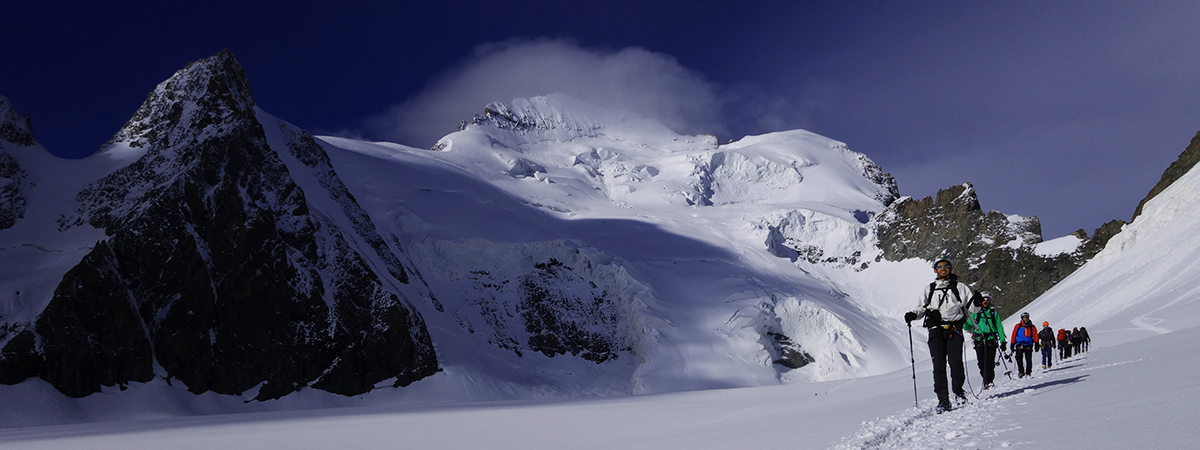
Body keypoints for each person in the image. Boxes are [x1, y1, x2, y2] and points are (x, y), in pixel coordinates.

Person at [904, 257, 978, 413]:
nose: (942, 268)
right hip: (935, 331)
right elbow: (921, 309)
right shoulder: (929, 289)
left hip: (953, 329)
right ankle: (943, 400)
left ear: (950, 268)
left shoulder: (960, 287)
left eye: (945, 266)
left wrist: (976, 302)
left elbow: (973, 309)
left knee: (955, 363)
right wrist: (912, 315)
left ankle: (958, 391)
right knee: (939, 367)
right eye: (939, 266)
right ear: (935, 270)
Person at [963, 291, 1005, 389]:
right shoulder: (975, 313)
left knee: (989, 362)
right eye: (984, 299)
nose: (985, 301)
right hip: (979, 340)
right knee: (981, 362)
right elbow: (967, 326)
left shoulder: (994, 313)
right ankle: (986, 379)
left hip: (991, 339)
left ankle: (988, 381)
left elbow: (999, 327)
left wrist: (1003, 340)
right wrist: (964, 322)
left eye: (988, 300)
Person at [1009, 313, 1038, 378]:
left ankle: (1028, 372)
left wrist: (1036, 343)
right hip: (1019, 344)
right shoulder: (1018, 326)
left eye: (1026, 317)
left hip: (1028, 344)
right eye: (1024, 318)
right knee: (1018, 358)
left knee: (1028, 359)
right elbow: (1014, 334)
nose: (1025, 319)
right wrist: (1012, 343)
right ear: (1022, 318)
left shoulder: (1032, 326)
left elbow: (1035, 335)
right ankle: (1021, 371)